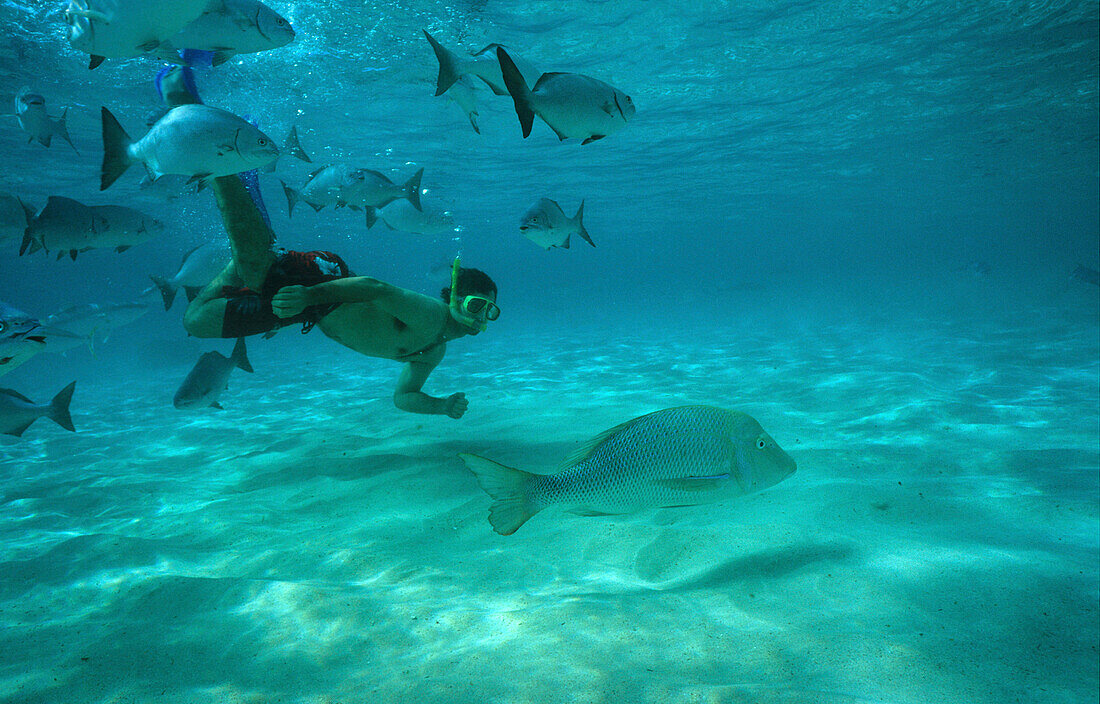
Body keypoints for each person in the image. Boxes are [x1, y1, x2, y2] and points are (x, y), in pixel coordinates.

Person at [182, 175, 500, 419]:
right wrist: (308, 295)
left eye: (490, 311)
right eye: (476, 305)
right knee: (256, 269)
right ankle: (225, 171)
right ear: (455, 297)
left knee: (196, 321)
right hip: (325, 283)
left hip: (313, 311)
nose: (480, 316)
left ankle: (242, 262)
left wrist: (442, 406)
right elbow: (375, 288)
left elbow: (403, 396)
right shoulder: (432, 316)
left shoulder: (435, 351)